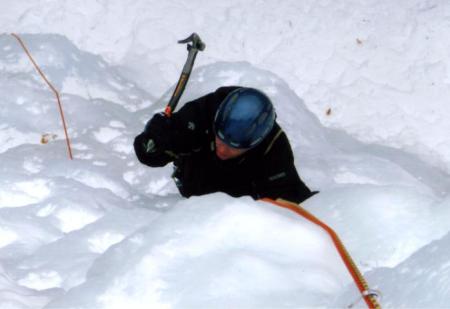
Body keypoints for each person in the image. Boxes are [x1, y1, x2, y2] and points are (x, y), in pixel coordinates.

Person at [134, 86, 315, 204]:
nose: (222, 149)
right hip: (193, 190)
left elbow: (291, 196)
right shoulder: (203, 114)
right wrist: (153, 142)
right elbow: (149, 154)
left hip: (232, 211)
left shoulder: (274, 150)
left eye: (232, 147)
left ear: (254, 144)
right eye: (219, 139)